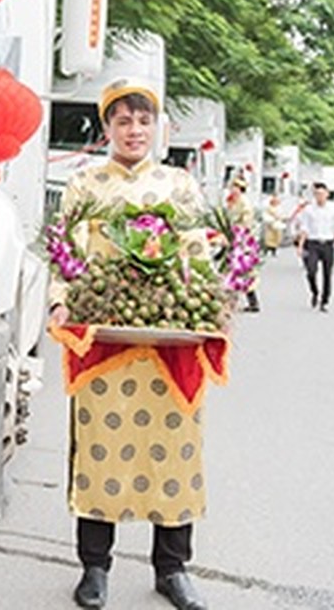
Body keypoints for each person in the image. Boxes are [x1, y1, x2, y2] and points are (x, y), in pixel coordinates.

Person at [49, 80, 213, 610]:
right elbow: (64, 254)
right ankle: (95, 567)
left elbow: (198, 253)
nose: (134, 130)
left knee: (174, 453)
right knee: (100, 451)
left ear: (158, 128)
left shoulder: (180, 185)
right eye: (123, 121)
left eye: (143, 120)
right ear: (108, 129)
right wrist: (60, 301)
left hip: (168, 335)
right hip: (106, 334)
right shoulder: (84, 185)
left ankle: (173, 567)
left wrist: (208, 308)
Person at [294, 183, 334, 311]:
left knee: (327, 274)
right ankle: (315, 292)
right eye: (317, 194)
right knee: (311, 270)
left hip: (328, 244)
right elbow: (304, 228)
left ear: (327, 194)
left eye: (322, 194)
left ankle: (325, 300)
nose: (320, 197)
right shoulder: (309, 210)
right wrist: (300, 246)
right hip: (313, 243)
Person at [224, 177, 260, 312]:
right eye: (232, 187)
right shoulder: (232, 202)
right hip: (233, 238)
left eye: (235, 188)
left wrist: (239, 233)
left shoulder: (244, 203)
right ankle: (231, 301)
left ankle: (252, 301)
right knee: (231, 270)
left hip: (242, 240)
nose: (233, 190)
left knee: (243, 270)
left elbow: (246, 223)